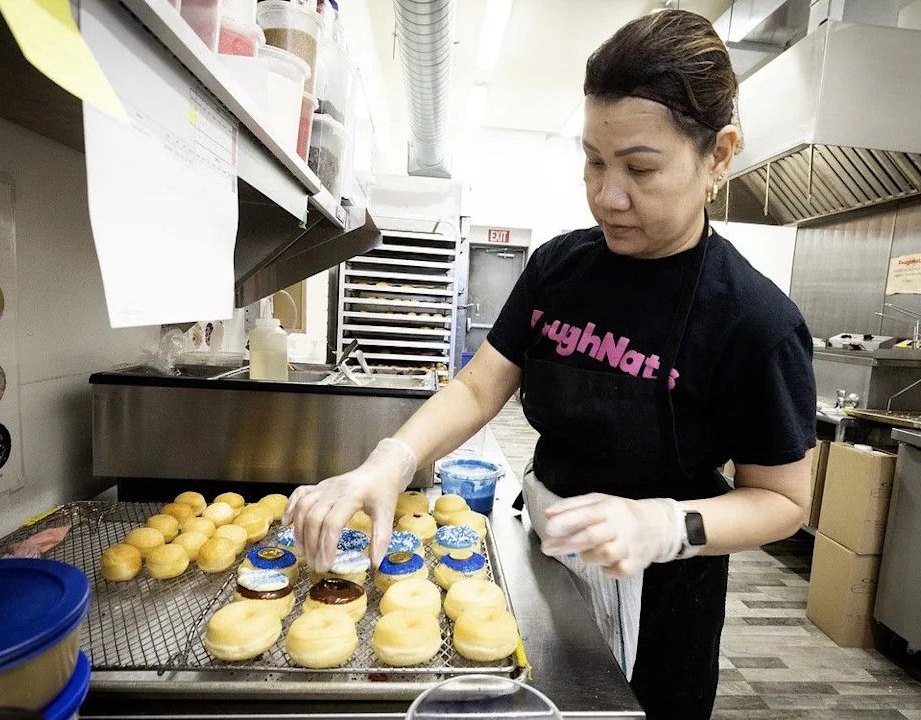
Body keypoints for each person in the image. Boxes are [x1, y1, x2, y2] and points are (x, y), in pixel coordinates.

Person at [284, 9, 816, 719]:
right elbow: (479, 386)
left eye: (640, 168)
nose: (607, 195)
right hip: (544, 562)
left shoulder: (755, 321)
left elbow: (783, 501)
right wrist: (391, 460)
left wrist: (665, 526)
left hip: (662, 596)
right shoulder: (559, 267)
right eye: (594, 161)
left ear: (718, 155)